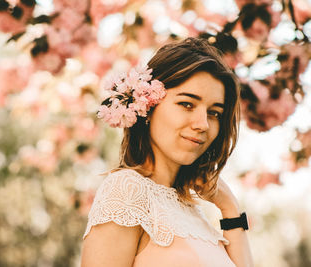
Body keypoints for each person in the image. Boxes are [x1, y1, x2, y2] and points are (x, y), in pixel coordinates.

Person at [80, 37, 254, 267]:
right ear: (149, 106)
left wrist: (230, 208)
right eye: (187, 104)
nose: (203, 124)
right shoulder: (127, 190)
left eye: (214, 113)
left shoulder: (195, 213)